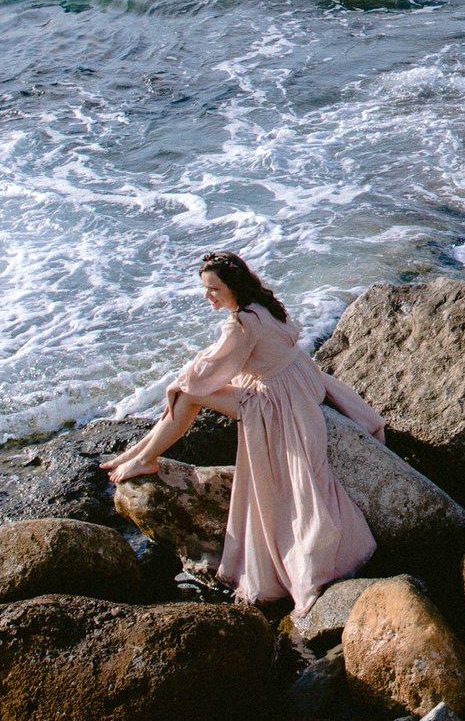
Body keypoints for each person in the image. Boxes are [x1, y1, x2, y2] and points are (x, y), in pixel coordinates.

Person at [99, 250, 382, 615]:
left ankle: (147, 460)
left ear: (232, 286)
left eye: (213, 289)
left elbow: (207, 373)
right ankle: (134, 456)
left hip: (279, 401)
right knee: (185, 390)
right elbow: (229, 355)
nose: (208, 297)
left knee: (185, 396)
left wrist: (178, 383)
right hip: (299, 381)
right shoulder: (260, 302)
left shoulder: (240, 326)